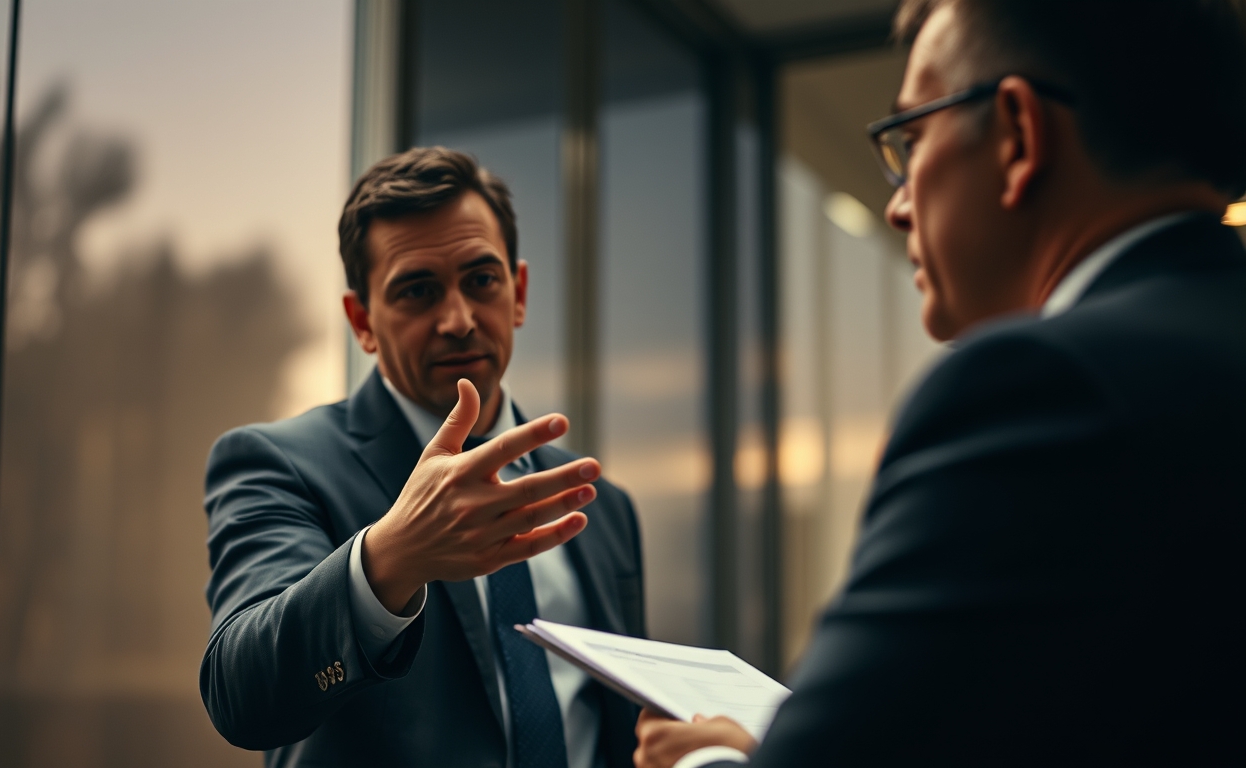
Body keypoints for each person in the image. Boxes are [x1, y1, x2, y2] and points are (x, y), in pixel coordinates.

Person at [636, 0, 1246, 766]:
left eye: (913, 138)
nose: (896, 206)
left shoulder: (1041, 390)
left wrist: (704, 762)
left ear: (1019, 136)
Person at [200, 147, 644, 768]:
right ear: (362, 322)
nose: (459, 319)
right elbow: (242, 695)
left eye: (482, 281)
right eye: (417, 290)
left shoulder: (606, 508)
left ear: (517, 293)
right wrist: (392, 558)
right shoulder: (279, 465)